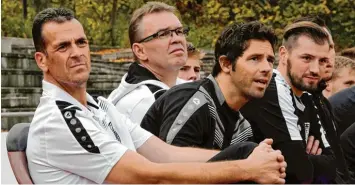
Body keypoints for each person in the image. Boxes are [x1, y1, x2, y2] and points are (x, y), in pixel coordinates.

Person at [26, 7, 287, 184]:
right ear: (42, 60)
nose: (76, 52)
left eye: (81, 42)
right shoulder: (59, 120)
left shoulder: (99, 106)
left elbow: (164, 153)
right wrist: (246, 168)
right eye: (62, 47)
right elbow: (149, 176)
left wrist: (248, 158)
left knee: (244, 150)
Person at [240, 21, 348, 183]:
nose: (315, 69)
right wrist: (308, 159)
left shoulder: (308, 95)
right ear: (283, 54)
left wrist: (307, 159)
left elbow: (333, 163)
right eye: (306, 58)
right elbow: (298, 172)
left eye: (322, 61)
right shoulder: (272, 90)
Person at [141, 21, 275, 150]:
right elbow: (170, 167)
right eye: (254, 59)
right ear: (226, 64)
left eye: (270, 60)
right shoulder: (193, 101)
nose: (267, 68)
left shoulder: (242, 128)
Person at [108, 2, 188, 124]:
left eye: (179, 31)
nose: (176, 39)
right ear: (140, 51)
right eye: (163, 34)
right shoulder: (142, 102)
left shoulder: (184, 86)